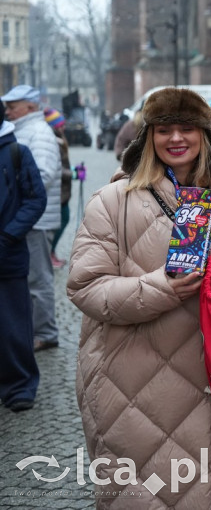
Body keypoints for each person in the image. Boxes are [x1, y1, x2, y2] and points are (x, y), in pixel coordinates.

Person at [66, 88, 211, 507]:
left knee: (202, 493)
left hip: (208, 376)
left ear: (205, 136)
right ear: (148, 138)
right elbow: (86, 287)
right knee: (138, 496)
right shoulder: (113, 200)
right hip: (130, 383)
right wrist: (163, 287)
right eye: (164, 129)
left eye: (187, 128)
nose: (177, 138)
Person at [2, 85, 61, 352]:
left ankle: (45, 332)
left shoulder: (38, 132)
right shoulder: (26, 129)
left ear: (29, 107)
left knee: (38, 279)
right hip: (29, 218)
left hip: (35, 220)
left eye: (13, 106)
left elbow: (43, 175)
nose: (8, 111)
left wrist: (14, 193)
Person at [0, 119, 46, 413]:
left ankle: (19, 385)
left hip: (6, 255)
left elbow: (35, 198)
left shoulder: (16, 151)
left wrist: (7, 235)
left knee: (12, 324)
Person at [43, 108, 72, 268]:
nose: (63, 127)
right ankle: (49, 254)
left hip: (63, 191)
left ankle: (51, 253)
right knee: (60, 221)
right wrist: (72, 173)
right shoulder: (53, 141)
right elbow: (57, 168)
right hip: (57, 192)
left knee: (63, 219)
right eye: (60, 125)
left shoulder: (60, 139)